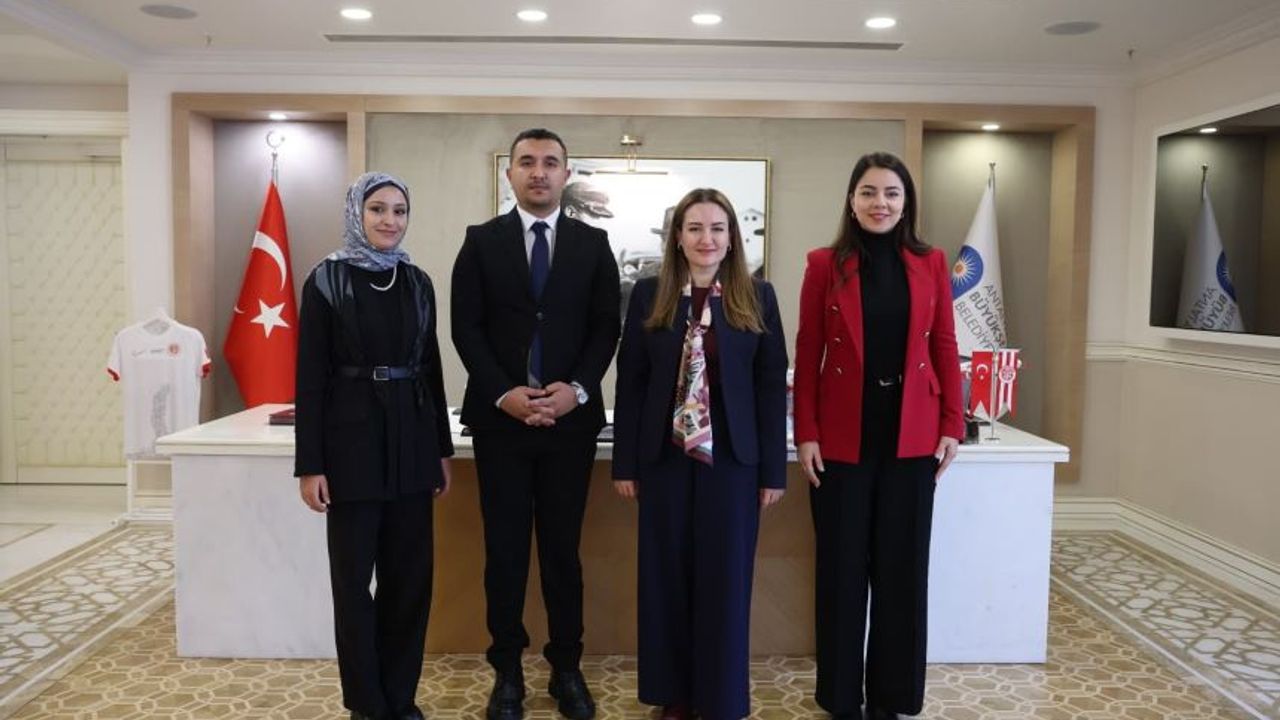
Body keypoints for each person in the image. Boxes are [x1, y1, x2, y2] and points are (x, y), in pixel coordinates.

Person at [451, 128, 621, 720]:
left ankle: (566, 668)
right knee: (504, 553)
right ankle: (507, 672)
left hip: (569, 426)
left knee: (561, 553)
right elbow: (465, 327)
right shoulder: (481, 242)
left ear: (566, 175)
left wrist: (577, 390)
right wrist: (503, 393)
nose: (539, 171)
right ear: (511, 174)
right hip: (501, 424)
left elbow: (606, 326)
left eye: (551, 162)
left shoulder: (593, 244)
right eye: (527, 162)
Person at [792, 152, 963, 720]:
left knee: (902, 572)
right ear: (851, 200)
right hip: (842, 441)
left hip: (912, 438)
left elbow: (944, 345)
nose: (880, 203)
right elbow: (809, 350)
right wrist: (806, 432)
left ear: (906, 202)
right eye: (868, 192)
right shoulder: (824, 264)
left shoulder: (931, 262)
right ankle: (841, 698)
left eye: (891, 193)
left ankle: (891, 698)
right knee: (842, 574)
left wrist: (953, 423)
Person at [612, 188, 789, 720]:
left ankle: (720, 698)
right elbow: (631, 382)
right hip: (664, 461)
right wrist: (625, 463)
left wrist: (773, 472)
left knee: (724, 582)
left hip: (733, 464)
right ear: (678, 237)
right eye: (694, 228)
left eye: (716, 228)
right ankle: (674, 695)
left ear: (732, 237)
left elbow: (769, 387)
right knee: (666, 581)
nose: (705, 238)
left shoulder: (758, 297)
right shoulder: (650, 295)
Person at [294, 172, 454, 720]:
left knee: (409, 583)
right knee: (353, 585)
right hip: (350, 447)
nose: (390, 220)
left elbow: (431, 370)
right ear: (356, 214)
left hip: (412, 443)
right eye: (378, 209)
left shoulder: (417, 282)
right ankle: (367, 704)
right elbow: (309, 379)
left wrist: (440, 451)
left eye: (399, 210)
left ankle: (400, 699)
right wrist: (310, 464)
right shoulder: (326, 280)